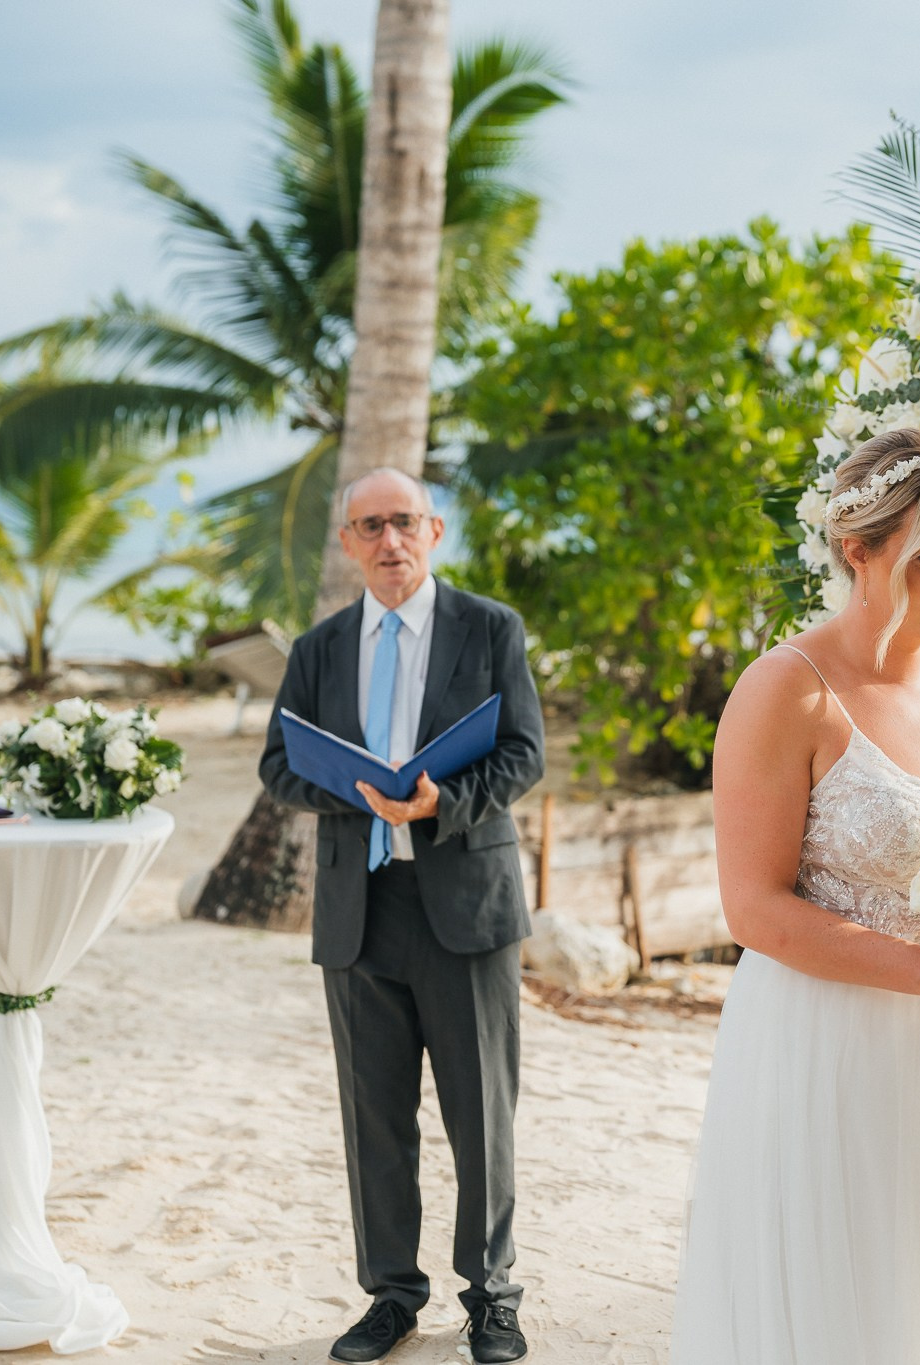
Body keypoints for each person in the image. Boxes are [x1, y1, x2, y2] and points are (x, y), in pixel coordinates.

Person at [671, 428, 920, 1363]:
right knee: (845, 1300)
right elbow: (754, 909)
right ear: (858, 551)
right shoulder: (785, 690)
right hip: (830, 1042)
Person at [259, 468, 545, 1365]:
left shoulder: (489, 627)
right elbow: (277, 764)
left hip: (466, 905)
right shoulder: (318, 648)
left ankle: (492, 1297)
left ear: (434, 530)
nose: (389, 540)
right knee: (375, 1117)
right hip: (359, 909)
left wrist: (438, 802)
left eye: (404, 522)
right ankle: (391, 1296)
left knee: (480, 1113)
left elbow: (525, 752)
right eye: (370, 525)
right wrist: (357, 790)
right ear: (348, 541)